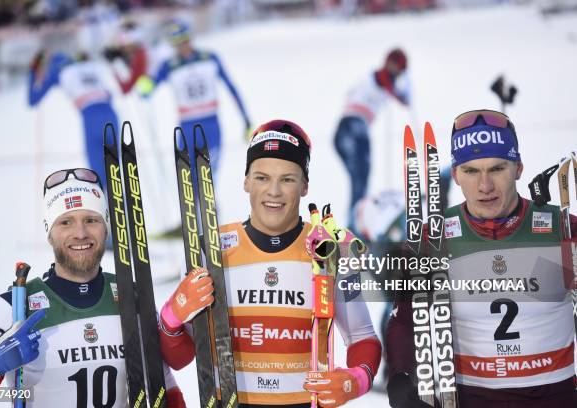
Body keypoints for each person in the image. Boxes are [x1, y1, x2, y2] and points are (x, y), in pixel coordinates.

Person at [159, 119, 382, 407]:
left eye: (287, 179)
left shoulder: (329, 248)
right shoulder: (211, 248)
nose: (273, 191)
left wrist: (356, 380)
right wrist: (170, 318)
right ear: (246, 182)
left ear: (304, 186)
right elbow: (180, 358)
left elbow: (363, 337)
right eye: (262, 177)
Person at [386, 109, 577, 408]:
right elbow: (406, 320)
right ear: (457, 174)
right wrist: (399, 378)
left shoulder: (562, 230)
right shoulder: (431, 240)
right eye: (471, 171)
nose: (485, 186)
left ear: (518, 168)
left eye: (497, 168)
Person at [0, 168, 195, 407]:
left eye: (91, 220)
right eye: (65, 222)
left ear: (105, 227)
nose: (81, 233)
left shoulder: (130, 294)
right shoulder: (12, 307)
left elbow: (164, 384)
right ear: (49, 233)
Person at [144, 18, 251, 174]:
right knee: (188, 181)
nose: (183, 47)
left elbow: (232, 89)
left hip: (210, 125)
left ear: (190, 39)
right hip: (187, 126)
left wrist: (246, 121)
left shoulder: (210, 58)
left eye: (185, 41)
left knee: (208, 180)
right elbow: (147, 89)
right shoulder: (169, 65)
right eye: (178, 44)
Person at [333, 48, 410, 229]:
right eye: (398, 68)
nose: (398, 73)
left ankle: (353, 223)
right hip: (354, 127)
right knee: (360, 179)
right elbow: (383, 81)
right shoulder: (379, 77)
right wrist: (399, 92)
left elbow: (399, 96)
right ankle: (354, 226)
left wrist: (401, 94)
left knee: (359, 179)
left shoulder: (384, 83)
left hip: (347, 129)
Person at [28, 51, 120, 189]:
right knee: (114, 171)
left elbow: (33, 99)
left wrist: (33, 70)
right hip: (110, 113)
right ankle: (122, 203)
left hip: (90, 117)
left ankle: (103, 204)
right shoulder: (89, 65)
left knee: (98, 176)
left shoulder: (58, 72)